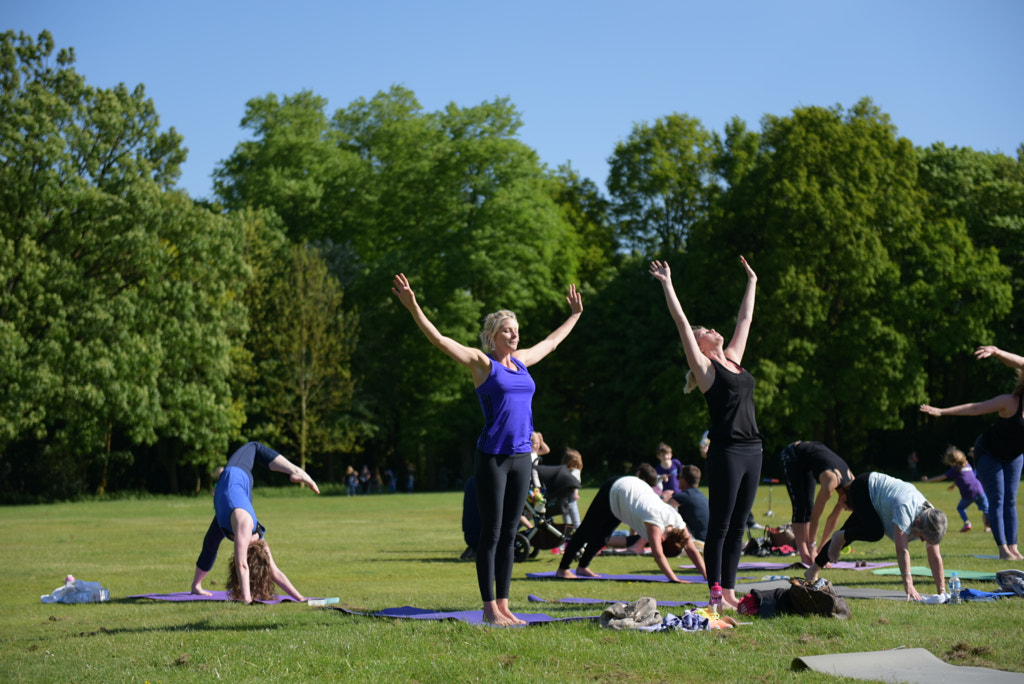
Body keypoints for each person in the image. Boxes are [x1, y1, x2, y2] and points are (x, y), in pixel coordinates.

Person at [392, 272, 583, 626]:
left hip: (522, 458)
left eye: (517, 330)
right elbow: (438, 339)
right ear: (493, 335)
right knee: (492, 533)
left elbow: (552, 343)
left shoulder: (522, 362)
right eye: (508, 330)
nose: (516, 334)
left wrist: (574, 315)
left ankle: (505, 605)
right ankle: (488, 606)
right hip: (493, 457)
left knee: (511, 533)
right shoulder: (483, 364)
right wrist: (414, 306)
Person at [650, 256, 761, 609]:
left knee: (740, 525)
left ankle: (729, 591)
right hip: (727, 452)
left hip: (754, 449)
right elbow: (682, 324)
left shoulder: (733, 358)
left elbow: (745, 319)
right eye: (705, 332)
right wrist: (668, 283)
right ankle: (715, 593)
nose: (711, 329)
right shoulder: (707, 371)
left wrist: (752, 282)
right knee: (721, 526)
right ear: (699, 346)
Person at [920, 358, 1024, 560]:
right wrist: (942, 411)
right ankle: (1003, 549)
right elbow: (976, 408)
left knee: (1011, 500)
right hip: (989, 453)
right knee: (998, 499)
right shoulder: (1010, 402)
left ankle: (1014, 548)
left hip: (1014, 456)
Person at [190, 442, 320, 602]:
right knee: (254, 448)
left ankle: (196, 585)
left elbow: (243, 565)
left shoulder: (244, 530)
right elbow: (273, 572)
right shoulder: (258, 540)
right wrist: (299, 597)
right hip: (236, 488)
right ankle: (297, 471)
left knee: (210, 543)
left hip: (231, 493)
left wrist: (247, 599)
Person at [804, 472, 947, 602]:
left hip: (877, 499)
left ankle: (812, 570)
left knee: (848, 535)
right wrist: (909, 585)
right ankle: (841, 536)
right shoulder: (905, 509)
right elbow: (902, 550)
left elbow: (935, 557)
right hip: (863, 488)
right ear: (918, 521)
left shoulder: (932, 519)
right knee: (874, 532)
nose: (922, 541)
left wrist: (942, 592)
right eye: (922, 537)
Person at [556, 473, 707, 583]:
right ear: (662, 539)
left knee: (604, 536)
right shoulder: (655, 521)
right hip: (616, 489)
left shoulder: (678, 525)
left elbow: (692, 549)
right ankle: (563, 569)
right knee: (587, 531)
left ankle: (582, 567)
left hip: (626, 498)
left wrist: (708, 576)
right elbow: (658, 554)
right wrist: (674, 579)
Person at [778, 440, 855, 566]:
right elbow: (815, 517)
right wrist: (813, 548)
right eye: (846, 508)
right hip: (792, 455)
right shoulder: (830, 483)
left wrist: (822, 551)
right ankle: (805, 556)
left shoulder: (852, 485)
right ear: (844, 498)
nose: (844, 509)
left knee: (807, 506)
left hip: (807, 459)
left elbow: (832, 518)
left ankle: (810, 553)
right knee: (801, 507)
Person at [921, 446, 990, 533]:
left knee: (960, 508)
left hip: (969, 493)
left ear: (951, 461)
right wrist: (954, 484)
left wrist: (927, 480)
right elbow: (966, 478)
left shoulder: (955, 469)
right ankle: (988, 527)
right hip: (979, 490)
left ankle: (967, 523)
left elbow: (941, 477)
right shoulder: (967, 464)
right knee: (986, 509)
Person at [669, 464, 710, 543]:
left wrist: (663, 497)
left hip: (698, 541)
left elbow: (662, 511)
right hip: (709, 538)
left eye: (678, 477)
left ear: (684, 480)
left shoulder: (683, 497)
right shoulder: (701, 496)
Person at [562, 447, 584, 529]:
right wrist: (575, 494)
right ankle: (581, 539)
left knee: (566, 523)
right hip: (571, 499)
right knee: (576, 521)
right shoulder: (576, 471)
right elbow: (574, 484)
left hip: (563, 500)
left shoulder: (563, 471)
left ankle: (566, 538)